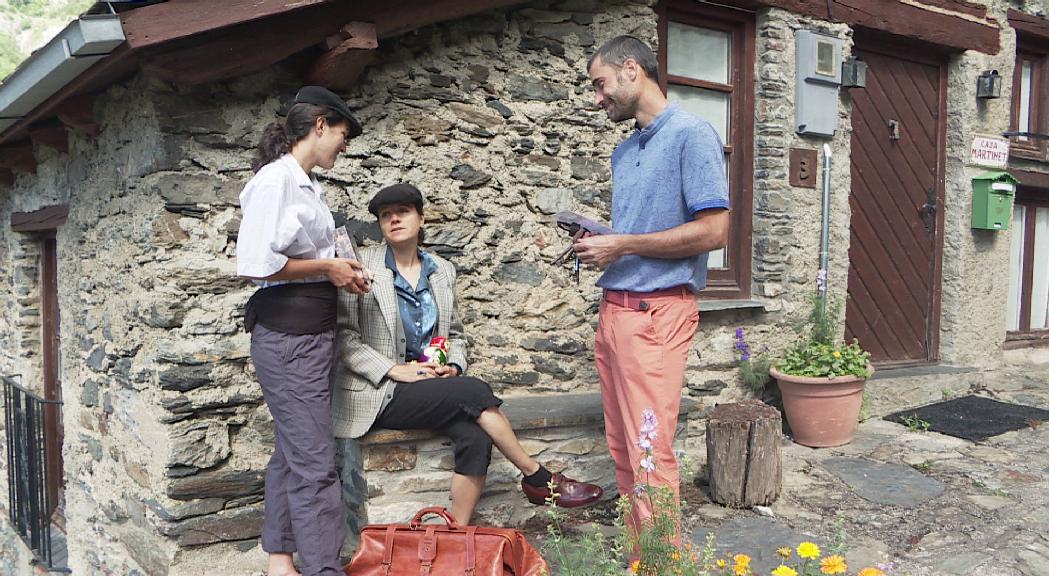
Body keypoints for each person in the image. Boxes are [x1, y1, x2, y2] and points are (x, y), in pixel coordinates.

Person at [332, 183, 604, 524]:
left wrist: (452, 364)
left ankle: (456, 532)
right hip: (381, 392)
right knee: (474, 391)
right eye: (386, 215)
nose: (394, 219)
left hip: (430, 386)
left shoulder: (441, 271)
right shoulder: (360, 266)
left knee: (475, 436)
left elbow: (455, 335)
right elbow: (345, 338)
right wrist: (392, 369)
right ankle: (539, 478)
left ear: (420, 218)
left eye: (402, 212)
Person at [574, 36, 730, 538]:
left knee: (648, 451)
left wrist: (621, 245)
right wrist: (602, 239)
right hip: (614, 311)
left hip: (656, 314)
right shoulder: (626, 151)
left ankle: (664, 564)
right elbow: (641, 236)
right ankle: (645, 557)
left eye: (600, 85)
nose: (596, 99)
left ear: (630, 70)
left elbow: (714, 231)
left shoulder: (691, 134)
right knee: (622, 446)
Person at [236, 86, 371, 576]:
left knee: (294, 452)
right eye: (341, 134)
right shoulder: (277, 182)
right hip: (289, 338)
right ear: (320, 125)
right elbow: (256, 264)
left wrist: (339, 271)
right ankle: (321, 568)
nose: (344, 145)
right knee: (316, 465)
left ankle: (279, 557)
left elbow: (306, 259)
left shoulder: (304, 182)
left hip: (310, 335)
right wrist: (328, 269)